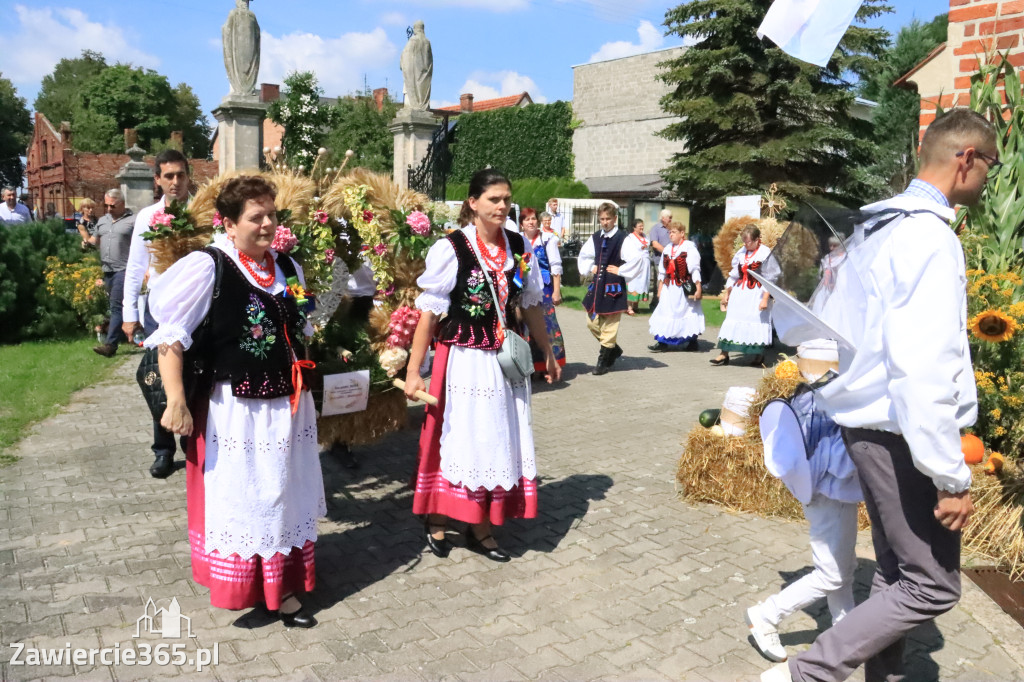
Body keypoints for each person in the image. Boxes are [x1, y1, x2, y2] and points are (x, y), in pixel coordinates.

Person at [763, 108, 992, 682]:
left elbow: (818, 326)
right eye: (990, 162)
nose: (991, 175)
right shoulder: (929, 238)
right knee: (935, 587)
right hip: (900, 434)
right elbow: (923, 367)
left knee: (896, 573)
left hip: (865, 424)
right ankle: (806, 674)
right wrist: (949, 475)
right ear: (965, 159)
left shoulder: (875, 227)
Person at [146, 175, 324, 628]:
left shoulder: (286, 267)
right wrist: (176, 400)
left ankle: (280, 581)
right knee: (250, 498)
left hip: (288, 405)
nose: (267, 225)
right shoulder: (209, 266)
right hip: (238, 410)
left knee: (285, 492)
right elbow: (170, 338)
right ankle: (260, 589)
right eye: (255, 217)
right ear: (227, 223)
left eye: (272, 215)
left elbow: (301, 327)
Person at [404, 168, 560, 563]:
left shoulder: (518, 244)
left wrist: (547, 351)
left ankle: (480, 524)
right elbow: (430, 314)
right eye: (494, 199)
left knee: (496, 437)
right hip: (465, 360)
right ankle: (438, 517)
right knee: (459, 436)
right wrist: (412, 369)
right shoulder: (452, 248)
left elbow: (530, 302)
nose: (502, 206)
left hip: (504, 360)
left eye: (507, 198)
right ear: (472, 203)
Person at [122, 149, 192, 478]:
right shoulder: (148, 217)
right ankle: (163, 449)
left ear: (188, 176)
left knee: (195, 378)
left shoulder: (202, 213)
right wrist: (129, 313)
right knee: (158, 379)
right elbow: (135, 269)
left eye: (180, 175)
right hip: (159, 312)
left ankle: (193, 443)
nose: (175, 182)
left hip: (195, 308)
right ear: (157, 180)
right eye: (169, 176)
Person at [578, 202, 645, 376]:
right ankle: (613, 350)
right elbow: (584, 255)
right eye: (602, 219)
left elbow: (637, 259)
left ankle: (603, 361)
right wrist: (590, 267)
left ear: (615, 219)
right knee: (591, 322)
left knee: (610, 325)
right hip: (597, 286)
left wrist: (620, 270)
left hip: (613, 286)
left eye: (608, 218)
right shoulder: (596, 237)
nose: (605, 222)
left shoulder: (623, 238)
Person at [711, 226, 778, 367]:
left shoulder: (765, 253)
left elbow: (770, 278)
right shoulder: (742, 253)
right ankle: (724, 353)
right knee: (732, 319)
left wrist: (765, 298)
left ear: (756, 240)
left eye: (748, 242)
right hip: (740, 293)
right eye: (744, 241)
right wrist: (727, 294)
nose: (745, 244)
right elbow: (734, 275)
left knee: (756, 321)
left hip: (757, 294)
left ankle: (759, 355)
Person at [81, 190, 135, 357]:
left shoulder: (133, 220)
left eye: (113, 205)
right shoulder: (103, 221)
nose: (109, 208)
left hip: (123, 269)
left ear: (122, 204)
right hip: (107, 270)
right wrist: (86, 244)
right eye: (106, 205)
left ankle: (110, 345)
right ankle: (124, 336)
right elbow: (95, 240)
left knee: (116, 306)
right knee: (115, 306)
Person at [521, 207, 566, 376]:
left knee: (546, 325)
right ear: (522, 224)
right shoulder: (518, 240)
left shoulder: (547, 239)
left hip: (544, 289)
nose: (531, 222)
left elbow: (555, 265)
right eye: (527, 220)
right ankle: (529, 365)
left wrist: (556, 291)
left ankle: (549, 364)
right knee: (526, 326)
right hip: (524, 289)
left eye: (533, 219)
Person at [648, 221, 703, 352]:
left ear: (682, 233)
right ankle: (662, 341)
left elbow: (694, 269)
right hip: (669, 286)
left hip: (683, 287)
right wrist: (660, 288)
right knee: (665, 311)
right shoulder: (667, 248)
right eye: (669, 232)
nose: (670, 235)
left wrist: (698, 287)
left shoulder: (689, 248)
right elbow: (662, 270)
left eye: (673, 232)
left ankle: (691, 341)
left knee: (687, 312)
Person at [622, 219, 651, 316]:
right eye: (639, 226)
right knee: (633, 283)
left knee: (642, 283)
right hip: (635, 265)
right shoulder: (630, 239)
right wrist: (633, 260)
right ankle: (629, 307)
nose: (642, 228)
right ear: (634, 227)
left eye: (642, 226)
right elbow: (626, 252)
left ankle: (636, 306)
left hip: (644, 264)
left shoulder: (645, 237)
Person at [647, 209, 672, 309]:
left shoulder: (671, 229)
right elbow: (655, 244)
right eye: (669, 217)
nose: (670, 220)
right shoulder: (656, 229)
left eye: (671, 218)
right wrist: (668, 253)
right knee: (659, 282)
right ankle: (655, 304)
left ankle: (666, 304)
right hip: (659, 260)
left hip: (671, 261)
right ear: (663, 218)